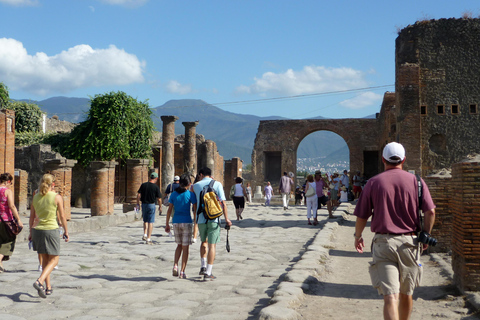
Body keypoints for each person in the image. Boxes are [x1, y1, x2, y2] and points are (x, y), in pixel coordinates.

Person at [354, 142, 436, 320]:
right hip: (409, 242)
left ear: (383, 159)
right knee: (407, 294)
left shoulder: (373, 183)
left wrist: (358, 236)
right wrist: (426, 234)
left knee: (390, 296)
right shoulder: (417, 182)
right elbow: (430, 212)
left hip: (383, 244)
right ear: (404, 159)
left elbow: (362, 215)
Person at [29, 174, 69, 298]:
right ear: (53, 184)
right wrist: (66, 231)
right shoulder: (56, 197)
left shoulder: (35, 197)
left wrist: (30, 232)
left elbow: (32, 217)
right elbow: (62, 216)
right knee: (55, 259)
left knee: (46, 260)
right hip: (51, 230)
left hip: (37, 231)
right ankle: (39, 281)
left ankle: (48, 287)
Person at [193, 167, 232, 281]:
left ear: (200, 174)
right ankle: (208, 272)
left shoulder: (195, 186)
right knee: (212, 245)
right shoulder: (217, 184)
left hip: (200, 219)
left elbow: (194, 203)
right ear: (210, 175)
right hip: (214, 219)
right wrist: (227, 219)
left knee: (203, 242)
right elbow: (223, 203)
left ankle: (203, 266)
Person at [165, 174, 197, 279]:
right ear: (189, 184)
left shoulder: (173, 194)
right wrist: (196, 222)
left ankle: (175, 265)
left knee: (179, 245)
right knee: (185, 248)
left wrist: (167, 224)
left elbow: (169, 210)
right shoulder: (190, 195)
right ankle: (182, 271)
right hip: (187, 222)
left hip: (176, 222)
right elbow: (195, 210)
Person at [0, 173, 23, 272]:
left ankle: (0, 266)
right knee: (9, 240)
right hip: (5, 220)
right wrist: (18, 219)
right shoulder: (7, 191)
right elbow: (12, 206)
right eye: (11, 183)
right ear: (7, 181)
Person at [136, 172, 162, 245]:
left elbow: (138, 195)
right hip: (151, 205)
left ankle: (144, 234)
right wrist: (160, 206)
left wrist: (138, 203)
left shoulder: (143, 185)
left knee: (145, 220)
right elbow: (159, 198)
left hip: (144, 204)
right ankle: (148, 238)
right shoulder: (155, 187)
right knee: (150, 221)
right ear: (156, 178)